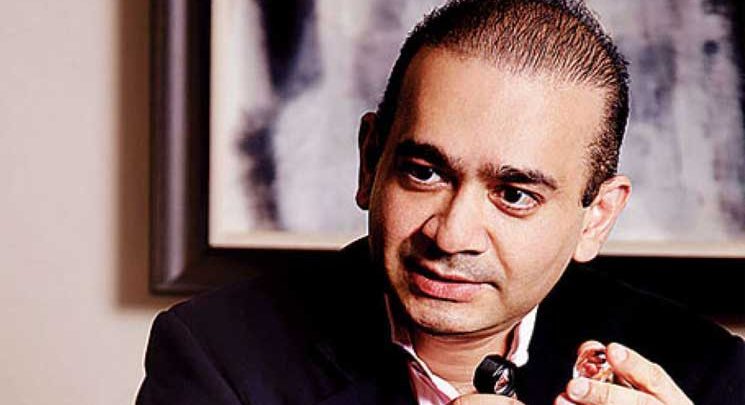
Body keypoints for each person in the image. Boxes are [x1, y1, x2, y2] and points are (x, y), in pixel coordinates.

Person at [136, 0, 745, 404]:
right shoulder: (218, 356)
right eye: (425, 173)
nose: (452, 235)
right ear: (370, 161)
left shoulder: (706, 375)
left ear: (597, 217)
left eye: (514, 194)